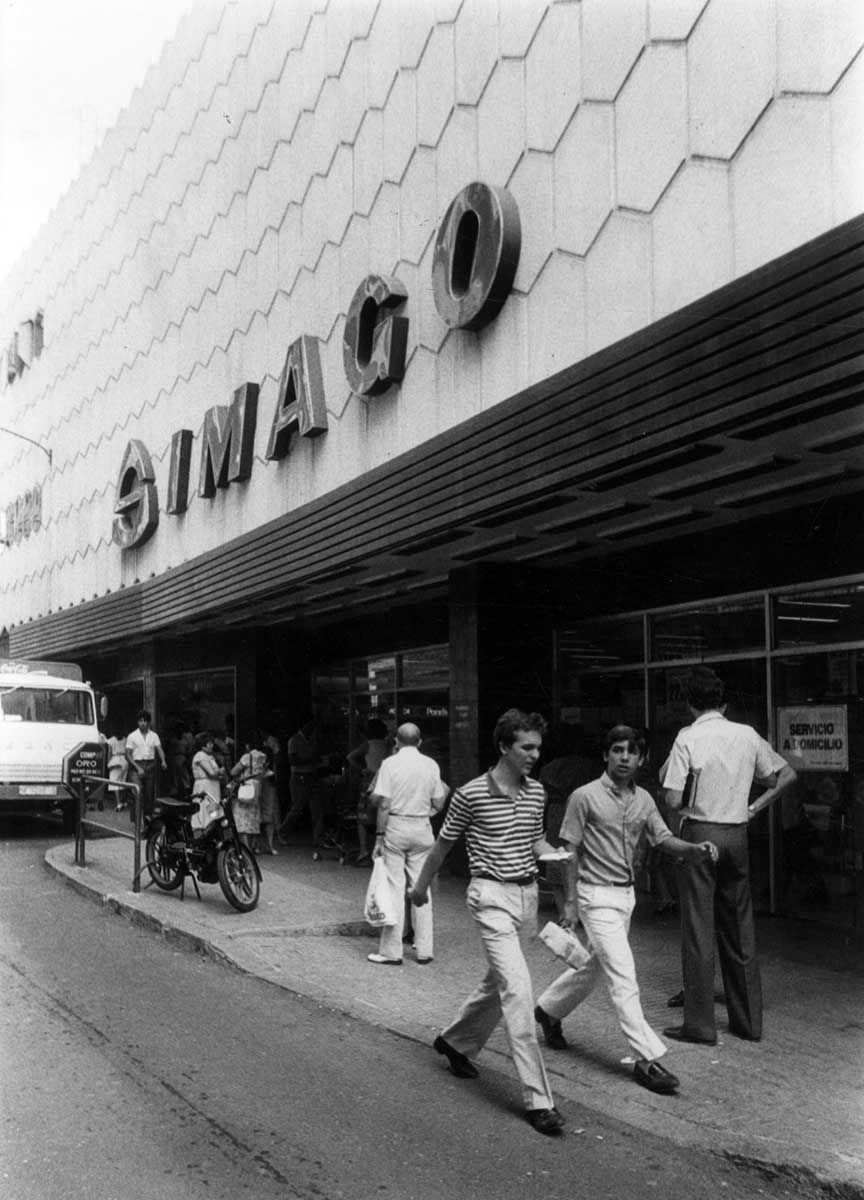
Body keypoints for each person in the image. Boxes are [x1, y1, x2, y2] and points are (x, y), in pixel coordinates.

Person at [533, 726, 719, 1096]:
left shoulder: (644, 800)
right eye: (616, 750)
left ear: (641, 759)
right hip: (593, 896)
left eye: (631, 752)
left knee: (596, 967)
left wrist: (694, 850)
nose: (624, 758)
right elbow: (568, 850)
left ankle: (548, 1010)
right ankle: (645, 1059)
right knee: (624, 976)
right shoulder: (583, 797)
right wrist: (568, 902)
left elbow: (662, 838)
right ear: (606, 755)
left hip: (624, 897)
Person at [408, 708, 565, 1137]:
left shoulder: (536, 794)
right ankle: (539, 1100)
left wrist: (559, 857)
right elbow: (442, 846)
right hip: (490, 896)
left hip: (527, 896)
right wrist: (420, 889)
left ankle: (455, 1041)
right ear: (503, 747)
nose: (534, 754)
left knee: (498, 981)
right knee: (518, 989)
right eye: (526, 747)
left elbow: (535, 841)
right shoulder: (471, 794)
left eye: (537, 746)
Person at [660, 667, 796, 1045]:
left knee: (699, 930)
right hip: (737, 834)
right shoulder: (747, 735)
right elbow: (786, 776)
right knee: (740, 928)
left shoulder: (687, 737)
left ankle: (700, 1025)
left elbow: (672, 798)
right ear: (724, 702)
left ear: (689, 703)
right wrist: (755, 805)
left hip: (700, 834)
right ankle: (748, 1023)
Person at [365, 722, 449, 966]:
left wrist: (379, 837)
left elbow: (383, 804)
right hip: (422, 828)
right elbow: (439, 801)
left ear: (396, 742)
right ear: (420, 742)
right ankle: (425, 950)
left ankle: (392, 952)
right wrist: (425, 813)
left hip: (396, 827)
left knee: (394, 888)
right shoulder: (431, 764)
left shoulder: (389, 764)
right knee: (421, 889)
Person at [539, 728, 596, 921]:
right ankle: (580, 911)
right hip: (580, 812)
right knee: (579, 858)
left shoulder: (549, 768)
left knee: (556, 861)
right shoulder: (588, 766)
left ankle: (563, 912)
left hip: (556, 813)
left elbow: (542, 800)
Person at [347, 717, 390, 865]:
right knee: (382, 813)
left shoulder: (368, 744)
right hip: (385, 780)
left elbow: (351, 757)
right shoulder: (388, 744)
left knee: (363, 817)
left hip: (369, 780)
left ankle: (364, 850)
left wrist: (362, 768)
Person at [279, 719, 321, 844]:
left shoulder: (313, 740)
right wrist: (311, 759)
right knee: (297, 808)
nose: (312, 729)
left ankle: (317, 838)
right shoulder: (294, 740)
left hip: (312, 775)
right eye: (310, 726)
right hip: (299, 776)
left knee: (317, 808)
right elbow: (292, 760)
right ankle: (282, 832)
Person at [125, 710, 167, 820]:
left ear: (149, 722)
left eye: (145, 721)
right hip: (136, 766)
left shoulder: (154, 736)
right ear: (137, 722)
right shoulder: (132, 736)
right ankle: (136, 821)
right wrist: (137, 767)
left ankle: (147, 819)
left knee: (149, 794)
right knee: (137, 793)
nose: (142, 723)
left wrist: (163, 761)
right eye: (140, 721)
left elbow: (159, 749)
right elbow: (128, 755)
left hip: (150, 766)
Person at [231, 736, 266, 851]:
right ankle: (254, 846)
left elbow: (234, 771)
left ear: (248, 746)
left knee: (242, 817)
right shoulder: (263, 756)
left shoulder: (247, 757)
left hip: (247, 787)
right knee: (254, 817)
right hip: (258, 786)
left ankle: (246, 848)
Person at [190, 731, 225, 831]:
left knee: (213, 811)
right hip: (205, 786)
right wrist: (220, 772)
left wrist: (219, 773)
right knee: (205, 809)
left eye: (211, 743)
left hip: (213, 787)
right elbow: (211, 773)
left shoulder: (210, 756)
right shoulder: (200, 756)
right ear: (202, 745)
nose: (211, 745)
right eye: (209, 743)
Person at [256, 730, 280, 855]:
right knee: (263, 817)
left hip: (266, 785)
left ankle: (266, 845)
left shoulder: (266, 776)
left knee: (267, 817)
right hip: (265, 785)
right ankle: (264, 846)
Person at [106, 724, 128, 810]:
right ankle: (123, 802)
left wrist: (108, 764)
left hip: (115, 759)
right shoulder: (125, 739)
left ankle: (119, 803)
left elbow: (109, 753)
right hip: (124, 760)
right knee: (123, 782)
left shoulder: (111, 740)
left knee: (115, 783)